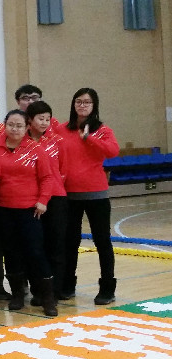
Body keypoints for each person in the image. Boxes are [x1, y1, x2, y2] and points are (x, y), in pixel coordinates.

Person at [0, 110, 58, 317]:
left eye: (19, 125)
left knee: (35, 252)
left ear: (27, 127)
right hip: (3, 208)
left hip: (30, 210)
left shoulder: (36, 149)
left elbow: (47, 178)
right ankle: (17, 295)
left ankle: (48, 298)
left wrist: (43, 200)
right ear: (4, 125)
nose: (14, 129)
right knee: (11, 253)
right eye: (11, 124)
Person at [57, 88, 120, 304]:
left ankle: (107, 288)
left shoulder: (102, 130)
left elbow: (113, 151)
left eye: (87, 102)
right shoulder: (62, 129)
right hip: (69, 195)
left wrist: (89, 138)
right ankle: (67, 284)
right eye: (79, 101)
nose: (82, 105)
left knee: (102, 241)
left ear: (94, 105)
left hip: (96, 195)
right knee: (70, 242)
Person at [26, 100, 68, 304]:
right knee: (35, 247)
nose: (44, 123)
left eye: (47, 119)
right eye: (40, 118)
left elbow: (63, 169)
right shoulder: (22, 142)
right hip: (30, 199)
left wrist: (51, 191)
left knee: (56, 245)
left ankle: (55, 291)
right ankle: (37, 291)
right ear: (30, 120)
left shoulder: (57, 141)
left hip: (56, 198)